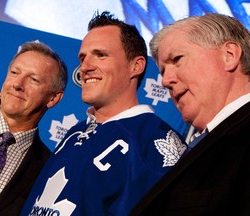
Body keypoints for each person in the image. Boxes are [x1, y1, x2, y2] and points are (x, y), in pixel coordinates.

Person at [21, 11, 186, 216]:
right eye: (83, 57)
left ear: (136, 65)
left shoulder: (155, 141)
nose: (85, 67)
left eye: (101, 55)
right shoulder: (74, 133)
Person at [130, 13, 250, 216]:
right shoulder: (206, 145)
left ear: (229, 55)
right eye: (162, 71)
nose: (165, 81)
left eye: (177, 59)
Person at [0, 41, 68, 216]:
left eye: (33, 79)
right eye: (14, 73)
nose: (17, 84)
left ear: (53, 99)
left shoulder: (48, 170)